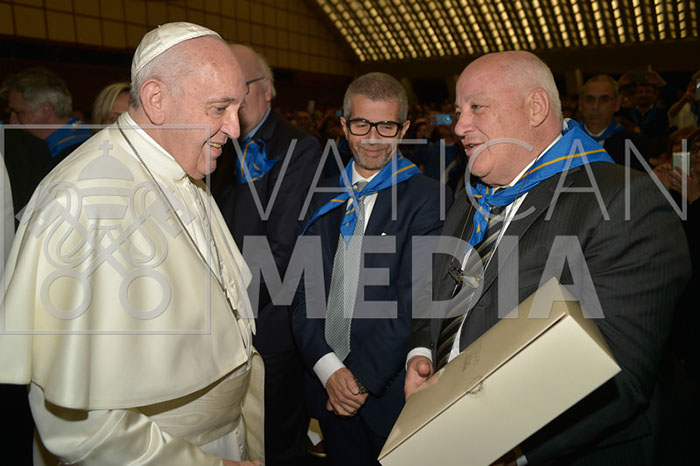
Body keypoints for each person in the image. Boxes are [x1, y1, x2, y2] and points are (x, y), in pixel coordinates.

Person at [405, 51, 690, 465]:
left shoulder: (626, 202)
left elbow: (614, 372)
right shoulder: (472, 195)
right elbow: (439, 285)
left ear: (536, 107)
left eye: (477, 107)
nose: (460, 126)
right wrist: (422, 353)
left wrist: (505, 447)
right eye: (458, 110)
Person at [0, 22, 263, 466]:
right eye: (219, 108)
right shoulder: (85, 201)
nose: (235, 129)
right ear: (157, 99)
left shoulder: (180, 167)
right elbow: (79, 425)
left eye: (237, 108)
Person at [292, 72, 448, 466]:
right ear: (344, 125)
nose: (373, 138)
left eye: (387, 126)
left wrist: (359, 380)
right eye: (362, 124)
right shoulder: (322, 194)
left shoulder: (428, 198)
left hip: (387, 390)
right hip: (326, 384)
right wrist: (328, 368)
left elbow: (413, 299)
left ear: (405, 129)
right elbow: (302, 289)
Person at [212, 43, 323, 466]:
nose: (234, 99)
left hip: (266, 323)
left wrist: (228, 307)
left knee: (274, 443)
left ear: (268, 89)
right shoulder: (215, 141)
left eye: (242, 86)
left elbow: (282, 250)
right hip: (220, 322)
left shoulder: (299, 148)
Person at [1, 67, 91, 165]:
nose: (12, 120)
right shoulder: (75, 136)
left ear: (46, 109)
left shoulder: (78, 150)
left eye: (18, 112)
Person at [578, 74, 651, 171]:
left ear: (617, 103)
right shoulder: (565, 141)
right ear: (580, 103)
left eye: (604, 99)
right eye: (589, 99)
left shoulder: (635, 144)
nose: (595, 106)